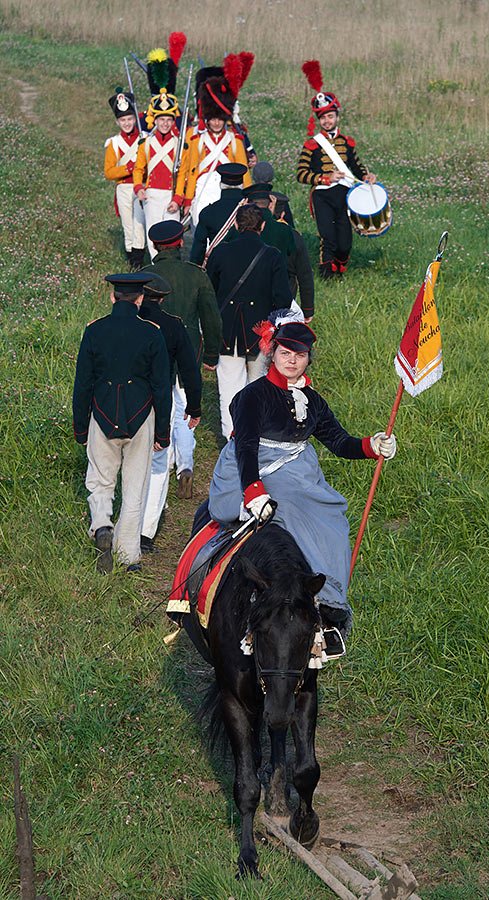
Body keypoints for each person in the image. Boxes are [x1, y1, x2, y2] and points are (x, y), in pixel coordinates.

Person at [207, 319, 397, 657]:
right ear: (272, 354)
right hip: (252, 466)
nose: (292, 360)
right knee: (292, 508)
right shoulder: (252, 396)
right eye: (285, 353)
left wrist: (372, 445)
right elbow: (245, 447)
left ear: (309, 359)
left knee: (334, 518)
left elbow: (338, 441)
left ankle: (330, 607)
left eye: (300, 354)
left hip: (297, 468)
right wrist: (253, 491)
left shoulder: (313, 400)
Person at [72, 273, 171, 573]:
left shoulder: (94, 330)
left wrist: (80, 427)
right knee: (134, 486)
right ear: (140, 300)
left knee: (100, 480)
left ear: (113, 297)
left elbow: (83, 383)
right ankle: (128, 556)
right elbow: (161, 387)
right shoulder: (152, 333)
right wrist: (162, 433)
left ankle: (102, 524)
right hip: (141, 416)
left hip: (101, 414)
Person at [142, 220, 222, 497]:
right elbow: (211, 317)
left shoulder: (145, 274)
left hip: (152, 351)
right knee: (186, 409)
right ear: (179, 244)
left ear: (154, 245)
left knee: (160, 406)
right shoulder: (196, 274)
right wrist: (212, 353)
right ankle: (185, 466)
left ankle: (161, 465)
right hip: (189, 347)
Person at [206, 204, 293, 440]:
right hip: (261, 334)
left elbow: (209, 294)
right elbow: (283, 300)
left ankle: (231, 438)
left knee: (229, 387)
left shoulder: (220, 252)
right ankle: (257, 437)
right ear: (262, 226)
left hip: (227, 331)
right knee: (260, 387)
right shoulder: (273, 255)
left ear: (236, 225)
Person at [137, 274, 202, 552]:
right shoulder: (173, 325)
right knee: (159, 464)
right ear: (162, 298)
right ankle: (145, 532)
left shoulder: (124, 323)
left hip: (124, 402)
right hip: (160, 399)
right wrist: (195, 406)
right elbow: (189, 369)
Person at [297, 59, 376, 280]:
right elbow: (301, 174)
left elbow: (357, 166)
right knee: (328, 237)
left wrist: (366, 176)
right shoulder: (312, 144)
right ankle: (326, 274)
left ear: (337, 116)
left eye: (330, 116)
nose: (327, 121)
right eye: (323, 117)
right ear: (318, 119)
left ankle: (340, 266)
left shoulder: (347, 142)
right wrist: (324, 178)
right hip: (322, 195)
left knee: (345, 241)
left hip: (344, 194)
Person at [133, 39, 189, 259]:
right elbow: (139, 169)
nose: (164, 123)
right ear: (154, 120)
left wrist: (178, 198)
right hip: (151, 195)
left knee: (173, 238)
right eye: (161, 119)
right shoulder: (145, 143)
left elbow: (182, 173)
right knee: (152, 236)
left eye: (168, 119)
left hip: (171, 195)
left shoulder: (179, 144)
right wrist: (139, 188)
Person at [183, 59, 253, 225]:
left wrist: (248, 196)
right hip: (202, 191)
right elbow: (191, 170)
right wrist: (185, 199)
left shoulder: (234, 140)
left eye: (220, 119)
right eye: (213, 119)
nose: (216, 123)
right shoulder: (197, 140)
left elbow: (244, 171)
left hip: (227, 190)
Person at [104, 89, 146, 269]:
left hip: (141, 186)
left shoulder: (145, 138)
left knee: (140, 226)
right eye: (123, 120)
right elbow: (109, 172)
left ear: (135, 119)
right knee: (128, 226)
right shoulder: (113, 143)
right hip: (123, 188)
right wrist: (130, 167)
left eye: (129, 119)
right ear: (117, 121)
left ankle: (140, 260)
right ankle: (132, 263)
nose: (127, 123)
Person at [189, 162, 247, 266]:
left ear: (220, 185)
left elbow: (198, 251)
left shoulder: (208, 212)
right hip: (246, 266)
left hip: (218, 268)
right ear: (242, 185)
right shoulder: (251, 211)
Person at [272, 191, 315, 321]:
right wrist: (307, 310)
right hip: (286, 297)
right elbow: (305, 274)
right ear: (283, 214)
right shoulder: (294, 236)